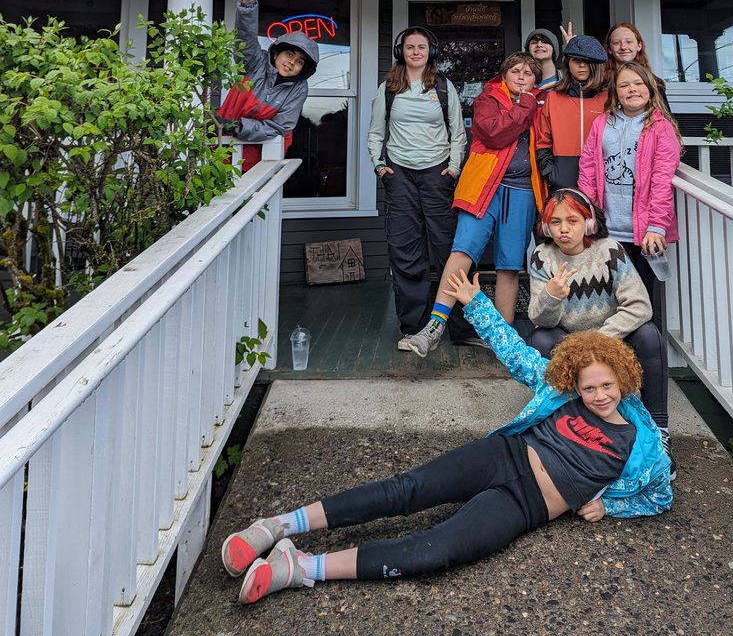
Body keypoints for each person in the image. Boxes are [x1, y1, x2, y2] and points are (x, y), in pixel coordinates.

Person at [221, 267, 672, 605]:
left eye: (606, 386)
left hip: (525, 506)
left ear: (625, 379)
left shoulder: (640, 439)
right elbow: (515, 352)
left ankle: (298, 567)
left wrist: (609, 505)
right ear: (575, 381)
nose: (597, 396)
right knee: (407, 490)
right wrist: (476, 303)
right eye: (588, 387)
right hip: (505, 455)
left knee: (437, 551)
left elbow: (660, 494)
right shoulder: (560, 387)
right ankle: (278, 526)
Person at [401, 51, 546, 355]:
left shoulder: (542, 104)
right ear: (504, 75)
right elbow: (494, 134)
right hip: (483, 188)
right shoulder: (487, 100)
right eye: (515, 71)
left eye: (528, 73)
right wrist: (525, 105)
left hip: (522, 192)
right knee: (462, 252)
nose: (521, 77)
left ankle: (501, 338)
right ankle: (434, 326)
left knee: (509, 265)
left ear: (536, 79)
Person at [528, 187, 674, 475]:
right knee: (540, 339)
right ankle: (560, 422)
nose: (563, 230)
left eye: (572, 220)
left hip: (612, 338)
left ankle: (659, 429)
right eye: (555, 222)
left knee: (648, 335)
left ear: (589, 223)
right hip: (568, 342)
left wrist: (600, 340)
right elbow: (539, 318)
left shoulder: (609, 251)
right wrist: (551, 295)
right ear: (546, 226)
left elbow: (640, 306)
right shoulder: (542, 257)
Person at [367, 26, 469, 350]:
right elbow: (375, 133)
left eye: (421, 47)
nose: (415, 52)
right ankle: (413, 328)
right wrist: (381, 168)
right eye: (410, 47)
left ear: (430, 52)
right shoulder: (388, 89)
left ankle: (459, 327)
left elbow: (458, 133)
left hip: (436, 175)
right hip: (400, 175)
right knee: (406, 251)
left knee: (447, 249)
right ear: (401, 52)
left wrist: (452, 169)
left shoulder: (443, 87)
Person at [577, 61, 682, 304]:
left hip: (644, 233)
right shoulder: (602, 124)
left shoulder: (660, 127)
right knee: (607, 299)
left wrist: (656, 226)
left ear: (650, 89)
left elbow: (662, 181)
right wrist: (589, 216)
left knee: (640, 301)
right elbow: (588, 169)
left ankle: (641, 343)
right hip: (608, 231)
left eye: (638, 83)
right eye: (624, 85)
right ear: (616, 93)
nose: (632, 89)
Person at [215, 0, 319, 172]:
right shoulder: (255, 63)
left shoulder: (298, 88)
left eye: (300, 62)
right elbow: (245, 36)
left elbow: (280, 126)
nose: (292, 62)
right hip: (219, 147)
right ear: (275, 54)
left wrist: (240, 126)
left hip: (261, 158)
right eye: (289, 54)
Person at [535, 34, 608, 191]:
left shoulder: (608, 98)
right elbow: (543, 140)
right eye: (576, 60)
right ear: (568, 63)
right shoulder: (553, 97)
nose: (581, 65)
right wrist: (551, 173)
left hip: (602, 178)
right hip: (562, 180)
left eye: (587, 61)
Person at [604, 22, 670, 108]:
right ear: (609, 49)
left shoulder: (654, 83)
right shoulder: (600, 83)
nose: (623, 47)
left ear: (639, 46)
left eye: (629, 42)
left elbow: (665, 118)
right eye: (616, 43)